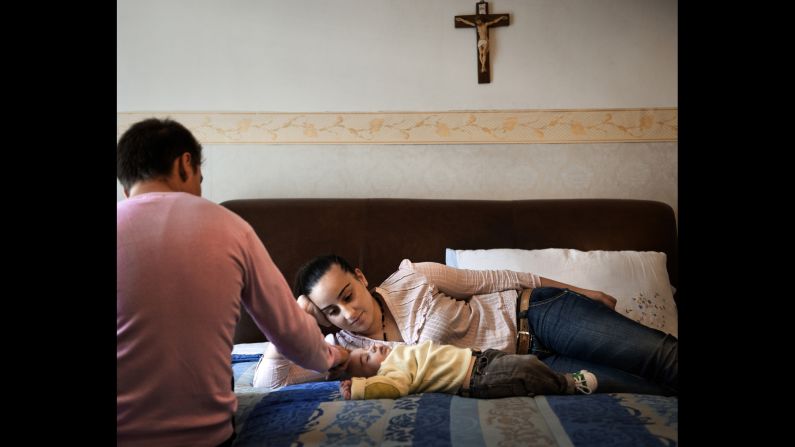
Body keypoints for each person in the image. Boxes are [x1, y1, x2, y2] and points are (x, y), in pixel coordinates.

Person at [117, 118, 348, 447]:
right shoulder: (231, 228)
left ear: (126, 189)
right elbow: (289, 332)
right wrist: (330, 357)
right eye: (200, 178)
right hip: (205, 435)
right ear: (186, 164)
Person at [255, 254, 677, 397]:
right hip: (528, 370)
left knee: (660, 356)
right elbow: (267, 387)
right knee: (644, 389)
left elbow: (498, 279)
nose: (347, 314)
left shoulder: (411, 278)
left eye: (347, 295)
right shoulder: (342, 353)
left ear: (361, 278)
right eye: (331, 311)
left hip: (542, 316)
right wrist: (291, 318)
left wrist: (584, 292)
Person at [337, 340, 598, 400]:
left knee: (526, 363)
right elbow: (394, 387)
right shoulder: (393, 370)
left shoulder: (399, 350)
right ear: (373, 374)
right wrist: (360, 388)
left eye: (367, 347)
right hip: (480, 379)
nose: (372, 347)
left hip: (483, 359)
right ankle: (569, 384)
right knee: (527, 368)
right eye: (366, 356)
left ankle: (559, 379)